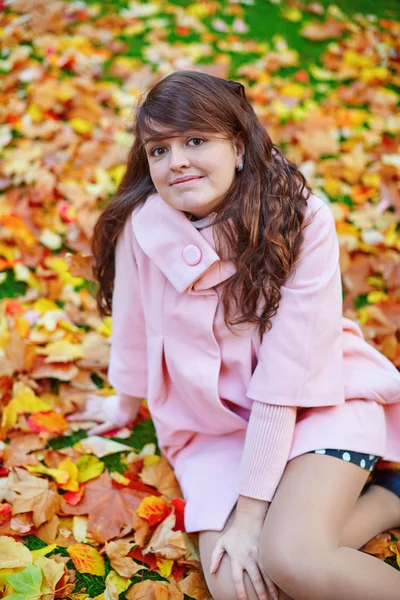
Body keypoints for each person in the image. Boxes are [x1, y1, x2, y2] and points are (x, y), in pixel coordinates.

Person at [69, 71, 400, 600]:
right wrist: (123, 404)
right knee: (239, 587)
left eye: (195, 141)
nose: (175, 160)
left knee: (294, 559)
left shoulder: (301, 219)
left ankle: (374, 502)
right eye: (158, 149)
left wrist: (250, 517)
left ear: (239, 146)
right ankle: (386, 500)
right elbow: (134, 327)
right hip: (213, 429)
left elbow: (286, 379)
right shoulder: (142, 227)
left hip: (314, 403)